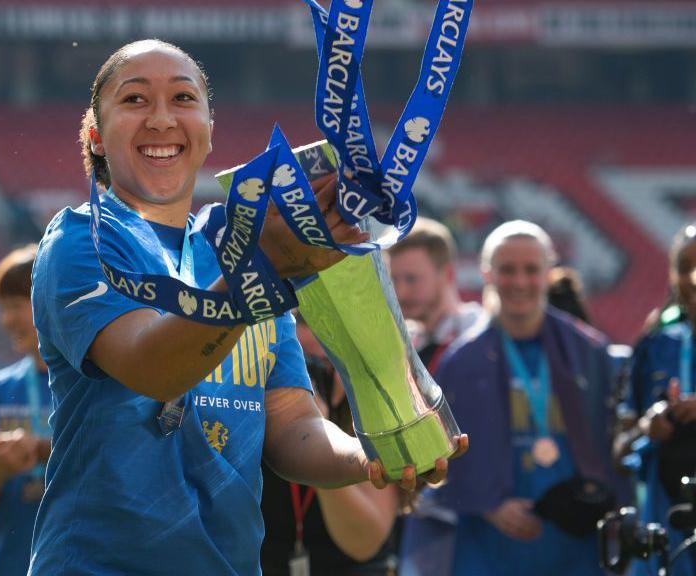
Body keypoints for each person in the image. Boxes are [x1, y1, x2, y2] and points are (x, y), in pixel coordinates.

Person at [29, 39, 466, 574]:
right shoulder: (83, 241)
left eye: (184, 98)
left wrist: (368, 457)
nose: (162, 119)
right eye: (135, 100)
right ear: (95, 134)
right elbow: (154, 368)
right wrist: (261, 270)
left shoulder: (237, 247)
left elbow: (290, 424)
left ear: (209, 130)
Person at [401, 220, 628, 576]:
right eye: (507, 270)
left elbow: (615, 441)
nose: (519, 282)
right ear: (487, 274)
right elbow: (439, 459)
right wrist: (487, 504)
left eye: (531, 270)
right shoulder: (461, 361)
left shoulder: (588, 351)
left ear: (549, 272)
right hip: (488, 546)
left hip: (574, 544)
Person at [260, 319, 401, 576]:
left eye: (324, 366)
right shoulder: (249, 406)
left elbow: (365, 543)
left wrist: (316, 437)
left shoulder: (376, 408)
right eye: (302, 321)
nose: (317, 340)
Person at [0, 245, 52, 576]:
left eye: (16, 306)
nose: (6, 320)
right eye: (2, 309)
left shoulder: (90, 385)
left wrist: (42, 449)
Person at [621, 223, 696, 576]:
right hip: (666, 538)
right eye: (685, 267)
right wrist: (648, 426)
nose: (694, 278)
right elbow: (619, 446)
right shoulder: (654, 346)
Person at [387, 217, 485, 372]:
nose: (401, 292)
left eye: (412, 279)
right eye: (394, 279)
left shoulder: (480, 333)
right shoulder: (400, 344)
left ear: (448, 274)